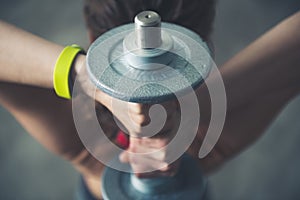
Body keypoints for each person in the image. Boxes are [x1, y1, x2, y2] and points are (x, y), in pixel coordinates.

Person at [0, 1, 299, 200]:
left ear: (93, 38)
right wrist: (89, 79)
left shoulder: (79, 141)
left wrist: (194, 105)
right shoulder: (215, 139)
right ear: (207, 46)